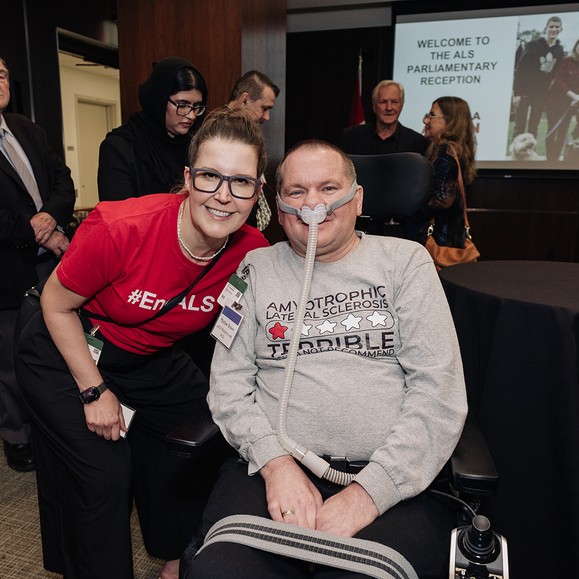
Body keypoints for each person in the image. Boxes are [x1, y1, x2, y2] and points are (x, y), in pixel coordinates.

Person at [182, 140, 468, 578]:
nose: (313, 202)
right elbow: (228, 387)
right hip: (269, 472)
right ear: (279, 210)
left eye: (327, 187)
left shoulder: (405, 262)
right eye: (296, 192)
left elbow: (439, 393)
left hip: (387, 479)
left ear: (357, 199)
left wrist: (369, 493)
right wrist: (276, 465)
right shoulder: (253, 270)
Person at [15, 107, 269, 579]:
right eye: (211, 176)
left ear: (257, 191)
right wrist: (94, 391)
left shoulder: (252, 252)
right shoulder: (121, 227)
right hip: (65, 344)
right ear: (188, 178)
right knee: (106, 473)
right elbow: (56, 304)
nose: (223, 196)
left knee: (205, 430)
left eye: (241, 182)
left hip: (147, 355)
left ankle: (177, 556)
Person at [0, 57, 74, 472]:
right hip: (6, 275)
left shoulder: (27, 129)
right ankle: (17, 438)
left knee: (56, 352)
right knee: (10, 363)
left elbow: (64, 181)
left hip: (50, 267)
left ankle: (52, 430)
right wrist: (39, 229)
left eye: (3, 73)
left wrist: (49, 216)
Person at [98, 57, 208, 201]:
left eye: (196, 107)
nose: (192, 115)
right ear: (159, 100)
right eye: (182, 105)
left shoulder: (197, 145)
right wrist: (175, 202)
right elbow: (117, 217)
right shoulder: (119, 148)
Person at [228, 70, 281, 232]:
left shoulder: (249, 134)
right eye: (264, 108)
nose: (267, 117)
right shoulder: (219, 135)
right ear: (244, 100)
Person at [421, 96, 477, 248]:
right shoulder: (458, 150)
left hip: (441, 241)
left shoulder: (446, 151)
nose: (426, 121)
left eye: (432, 115)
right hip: (451, 239)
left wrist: (410, 209)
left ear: (451, 121)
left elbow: (442, 199)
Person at [340, 80, 428, 155]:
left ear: (401, 106)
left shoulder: (418, 142)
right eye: (383, 102)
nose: (389, 108)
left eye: (394, 102)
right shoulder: (351, 137)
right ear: (374, 106)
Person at [512, 16, 564, 139]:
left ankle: (530, 153)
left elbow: (556, 73)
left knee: (534, 126)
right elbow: (520, 70)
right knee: (520, 126)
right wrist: (516, 93)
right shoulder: (532, 45)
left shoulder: (559, 50)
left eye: (557, 27)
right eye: (551, 26)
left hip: (540, 94)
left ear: (561, 30)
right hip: (525, 91)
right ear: (545, 29)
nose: (554, 29)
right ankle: (516, 155)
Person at [546, 38, 579, 161]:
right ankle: (550, 160)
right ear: (576, 46)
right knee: (552, 130)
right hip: (555, 101)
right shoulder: (566, 61)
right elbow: (560, 81)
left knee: (562, 133)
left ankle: (555, 160)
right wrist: (573, 95)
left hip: (571, 104)